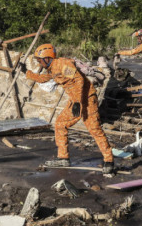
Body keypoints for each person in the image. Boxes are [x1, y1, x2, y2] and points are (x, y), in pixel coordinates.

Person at [24, 44, 115, 175]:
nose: (38, 63)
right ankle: (63, 158)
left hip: (87, 99)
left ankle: (109, 161)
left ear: (47, 58)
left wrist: (78, 102)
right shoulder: (51, 68)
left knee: (94, 129)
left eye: (39, 60)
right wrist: (27, 73)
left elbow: (78, 80)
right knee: (60, 124)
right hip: (75, 101)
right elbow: (43, 79)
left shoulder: (63, 64)